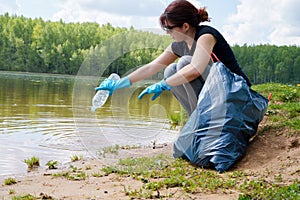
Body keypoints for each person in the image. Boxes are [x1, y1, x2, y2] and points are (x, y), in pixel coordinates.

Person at [96, 0, 252, 117]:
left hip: (236, 92)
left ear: (185, 26)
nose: (167, 32)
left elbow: (196, 69)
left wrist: (163, 84)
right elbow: (151, 67)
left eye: (169, 28)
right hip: (218, 92)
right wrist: (120, 83)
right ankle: (198, 119)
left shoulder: (206, 36)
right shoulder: (178, 45)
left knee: (184, 63)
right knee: (170, 70)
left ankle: (211, 118)